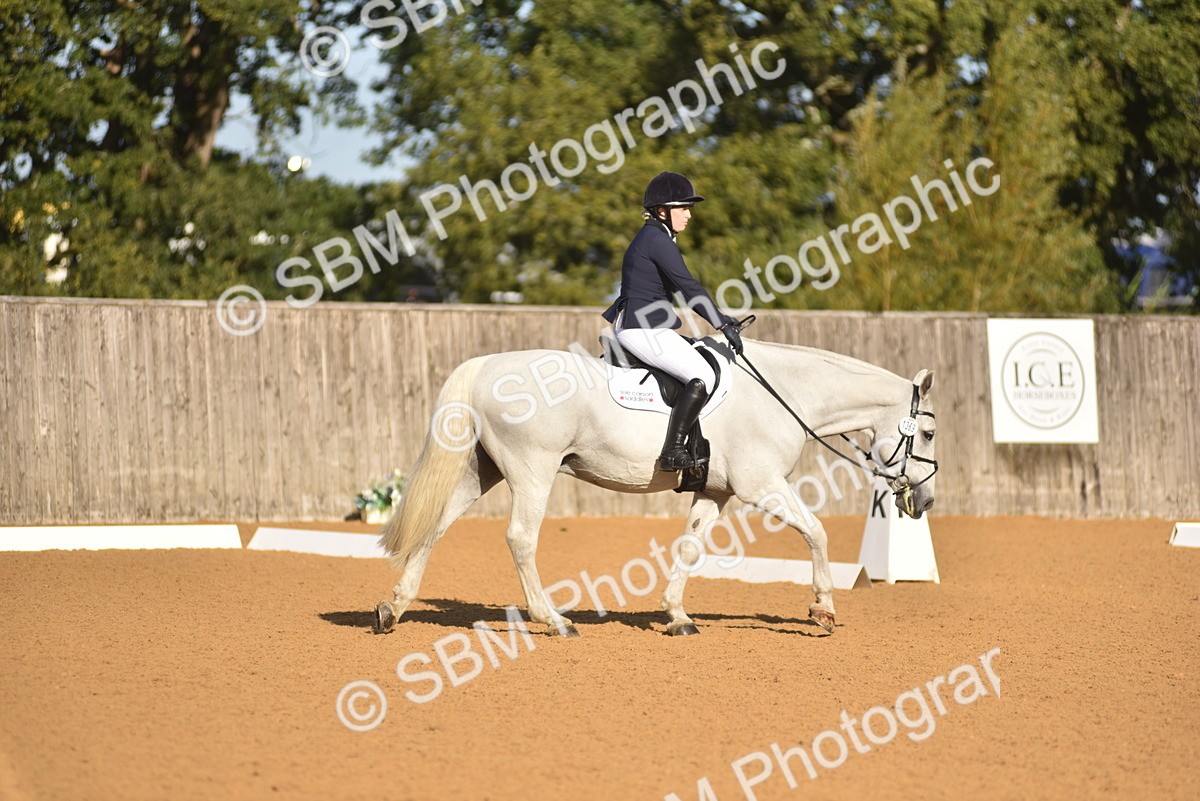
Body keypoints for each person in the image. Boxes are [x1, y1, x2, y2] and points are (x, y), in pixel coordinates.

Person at [601, 171, 744, 472]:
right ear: (662, 211)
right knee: (702, 374)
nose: (689, 214)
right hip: (642, 329)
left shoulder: (655, 237)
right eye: (683, 208)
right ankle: (673, 450)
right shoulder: (657, 240)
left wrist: (722, 317)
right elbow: (689, 288)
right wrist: (721, 324)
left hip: (641, 325)